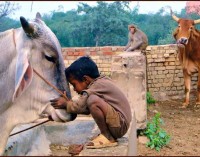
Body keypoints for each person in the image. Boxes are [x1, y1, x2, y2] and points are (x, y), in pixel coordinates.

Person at [50, 56, 132, 149]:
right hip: (119, 124)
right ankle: (106, 135)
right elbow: (85, 109)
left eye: (74, 84)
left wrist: (65, 104)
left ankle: (107, 137)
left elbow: (80, 106)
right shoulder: (101, 82)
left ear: (85, 79)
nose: (74, 89)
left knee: (93, 100)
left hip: (120, 125)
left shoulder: (96, 86)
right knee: (91, 101)